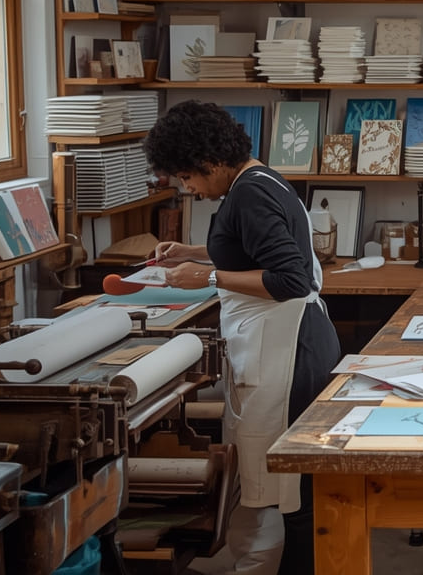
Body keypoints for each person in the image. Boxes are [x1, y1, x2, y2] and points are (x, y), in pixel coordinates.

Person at [145, 101, 340, 575]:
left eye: (188, 177)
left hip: (287, 352)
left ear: (210, 162)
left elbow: (291, 278)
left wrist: (208, 277)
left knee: (290, 491)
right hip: (289, 344)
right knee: (281, 485)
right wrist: (193, 252)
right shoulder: (259, 179)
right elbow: (256, 246)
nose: (187, 188)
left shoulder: (249, 194)